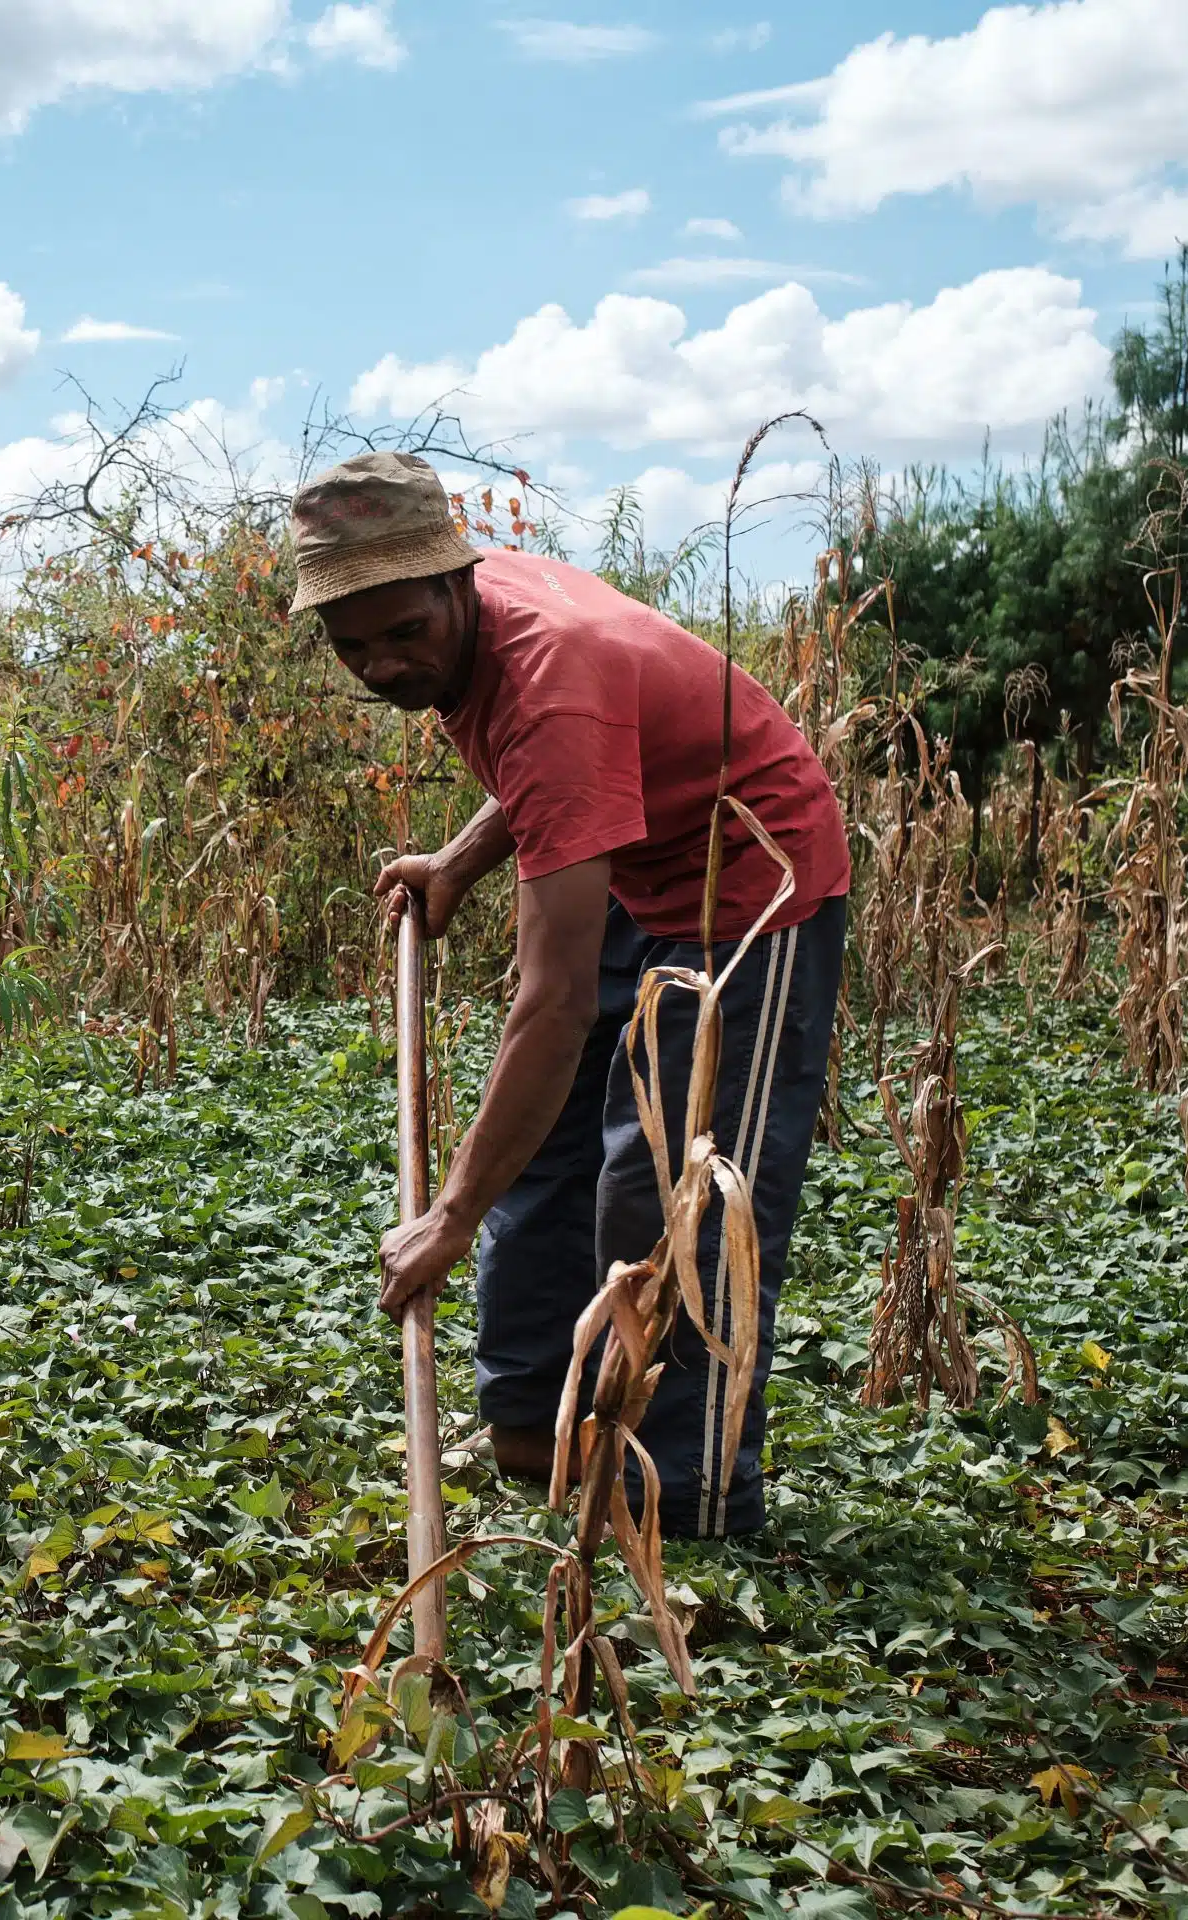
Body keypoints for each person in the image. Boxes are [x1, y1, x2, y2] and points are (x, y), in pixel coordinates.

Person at [291, 452, 849, 1537]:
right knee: (542, 1162)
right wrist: (461, 857)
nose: (385, 667)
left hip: (750, 884)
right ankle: (535, 1423)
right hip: (639, 855)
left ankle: (681, 1501)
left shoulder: (549, 673)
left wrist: (446, 1218)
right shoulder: (482, 628)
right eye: (354, 648)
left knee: (680, 1199)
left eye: (406, 633)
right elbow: (568, 775)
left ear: (457, 582)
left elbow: (548, 1006)